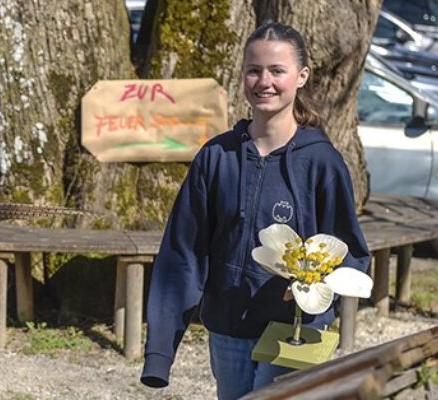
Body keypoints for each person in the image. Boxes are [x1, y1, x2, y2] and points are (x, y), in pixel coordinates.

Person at [139, 22, 371, 399]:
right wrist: (160, 353)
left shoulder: (321, 162)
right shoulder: (217, 157)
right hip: (228, 332)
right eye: (254, 70)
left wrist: (312, 287)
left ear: (301, 76)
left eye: (277, 70)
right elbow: (183, 255)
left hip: (294, 333)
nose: (265, 82)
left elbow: (353, 255)